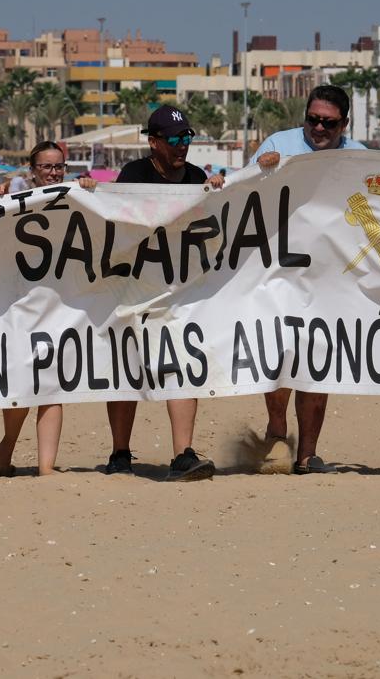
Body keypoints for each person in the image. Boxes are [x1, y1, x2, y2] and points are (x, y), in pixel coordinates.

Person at [247, 85, 365, 474]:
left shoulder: (360, 157)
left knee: (318, 363)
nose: (317, 128)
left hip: (331, 277)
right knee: (280, 358)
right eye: (312, 119)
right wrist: (259, 170)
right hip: (279, 271)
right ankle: (278, 427)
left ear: (344, 123)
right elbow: (239, 196)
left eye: (327, 122)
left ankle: (307, 454)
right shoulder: (279, 144)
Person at [107, 106, 224, 481]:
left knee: (184, 364)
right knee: (127, 369)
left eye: (187, 137)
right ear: (153, 142)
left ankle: (183, 454)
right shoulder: (133, 175)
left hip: (179, 287)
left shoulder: (195, 177)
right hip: (133, 285)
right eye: (174, 139)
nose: (182, 146)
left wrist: (221, 191)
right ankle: (120, 452)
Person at [0, 141, 97, 477]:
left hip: (63, 302)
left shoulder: (78, 195)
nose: (53, 173)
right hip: (20, 302)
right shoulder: (12, 201)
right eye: (46, 167)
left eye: (58, 166)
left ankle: (46, 466)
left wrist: (92, 190)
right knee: (22, 383)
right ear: (33, 169)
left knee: (53, 383)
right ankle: (7, 445)